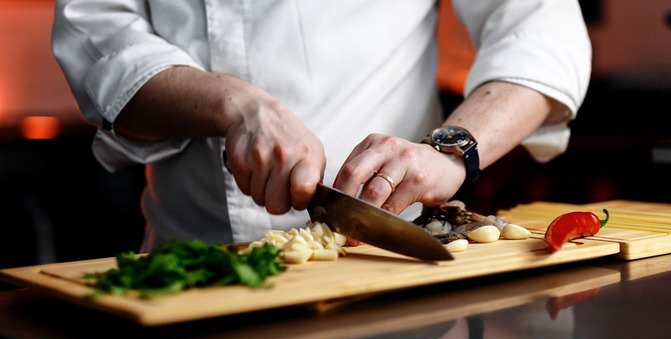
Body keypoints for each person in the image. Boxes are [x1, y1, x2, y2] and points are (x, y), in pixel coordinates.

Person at [52, 0, 591, 251]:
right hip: (192, 262)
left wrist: (450, 152)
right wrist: (232, 104)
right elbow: (98, 33)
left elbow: (540, 25)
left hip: (390, 270)